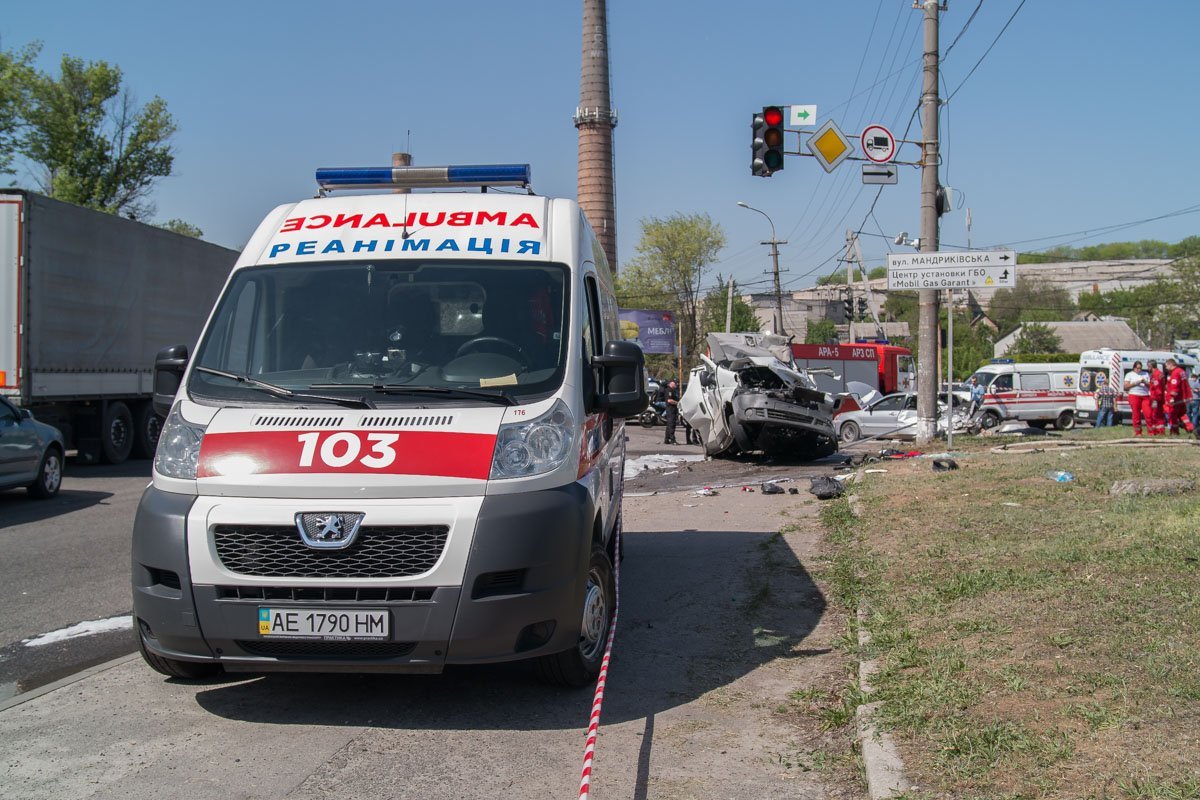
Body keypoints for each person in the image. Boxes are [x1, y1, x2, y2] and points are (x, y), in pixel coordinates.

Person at [1163, 357, 1195, 435]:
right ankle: (1190, 427)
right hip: (1183, 398)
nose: (1166, 368)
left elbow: (1175, 386)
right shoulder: (1181, 371)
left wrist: (1172, 397)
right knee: (1182, 414)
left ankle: (1174, 432)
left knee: (1172, 415)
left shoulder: (1175, 373)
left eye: (1166, 366)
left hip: (1176, 399)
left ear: (1171, 365)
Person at [1123, 360, 1150, 436]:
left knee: (1148, 413)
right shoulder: (1129, 375)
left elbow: (1151, 385)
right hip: (1134, 395)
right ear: (1134, 368)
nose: (1139, 370)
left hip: (1145, 395)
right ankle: (1138, 432)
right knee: (1136, 414)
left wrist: (1145, 382)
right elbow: (1126, 387)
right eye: (1137, 368)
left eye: (1140, 368)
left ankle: (1151, 432)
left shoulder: (1146, 374)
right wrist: (1135, 383)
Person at [1146, 359, 1166, 435]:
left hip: (1156, 398)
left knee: (1154, 415)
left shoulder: (1155, 375)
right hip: (1160, 397)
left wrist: (1155, 400)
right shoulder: (1160, 373)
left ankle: (1156, 431)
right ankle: (1160, 431)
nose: (1148, 368)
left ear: (1151, 366)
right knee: (1160, 415)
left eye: (1148, 367)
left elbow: (1157, 388)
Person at [661, 378, 680, 445]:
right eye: (675, 383)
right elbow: (669, 400)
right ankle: (672, 440)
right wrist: (677, 403)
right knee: (671, 425)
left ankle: (666, 439)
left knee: (669, 425)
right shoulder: (669, 390)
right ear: (671, 383)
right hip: (670, 409)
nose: (677, 384)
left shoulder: (673, 390)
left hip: (672, 409)